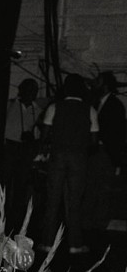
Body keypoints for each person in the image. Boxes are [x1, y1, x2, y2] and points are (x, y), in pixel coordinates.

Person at [40, 73, 99, 254]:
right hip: (79, 158)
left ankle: (47, 243)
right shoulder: (90, 109)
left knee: (52, 200)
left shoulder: (54, 107)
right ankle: (75, 244)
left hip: (58, 156)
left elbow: (44, 134)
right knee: (74, 201)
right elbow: (94, 139)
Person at [84, 71, 126, 231]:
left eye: (98, 81)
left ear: (106, 86)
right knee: (91, 186)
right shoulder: (96, 104)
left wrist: (116, 159)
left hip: (105, 152)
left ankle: (99, 224)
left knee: (103, 189)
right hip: (95, 151)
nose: (95, 84)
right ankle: (90, 222)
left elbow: (117, 133)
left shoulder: (115, 105)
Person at [3, 78, 41, 230]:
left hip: (25, 149)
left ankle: (16, 216)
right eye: (29, 90)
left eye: (34, 91)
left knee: (21, 184)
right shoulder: (10, 105)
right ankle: (2, 212)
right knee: (5, 181)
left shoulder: (37, 110)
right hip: (9, 147)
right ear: (21, 90)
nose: (31, 93)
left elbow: (39, 133)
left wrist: (33, 139)